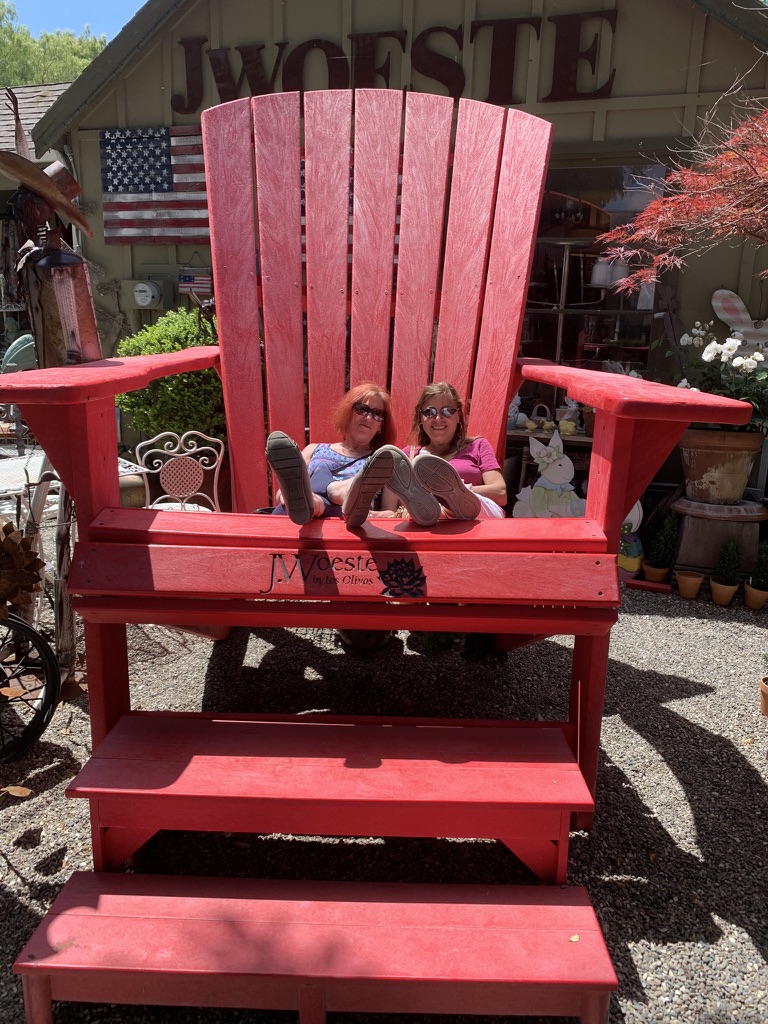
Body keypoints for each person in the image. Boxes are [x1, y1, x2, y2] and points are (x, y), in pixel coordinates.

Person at [357, 381, 507, 524]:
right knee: (422, 511)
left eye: (447, 411)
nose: (438, 418)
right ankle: (437, 507)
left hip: (478, 519)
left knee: (466, 503)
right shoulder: (404, 457)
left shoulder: (477, 446)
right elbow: (389, 510)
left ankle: (453, 497)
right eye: (429, 412)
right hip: (427, 523)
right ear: (421, 418)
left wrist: (461, 490)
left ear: (458, 416)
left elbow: (500, 494)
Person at [265, 382, 396, 526]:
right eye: (361, 409)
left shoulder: (383, 461)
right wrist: (284, 496)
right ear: (348, 413)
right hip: (295, 522)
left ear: (380, 426)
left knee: (316, 487)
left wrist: (370, 514)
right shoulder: (313, 449)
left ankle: (327, 497)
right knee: (310, 494)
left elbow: (390, 511)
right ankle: (340, 492)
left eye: (377, 414)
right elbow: (282, 493)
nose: (369, 417)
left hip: (347, 524)